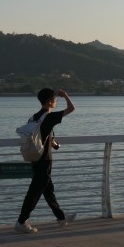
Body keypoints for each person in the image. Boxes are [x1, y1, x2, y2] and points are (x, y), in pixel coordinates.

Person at [14, 88, 77, 234]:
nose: (56, 101)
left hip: (35, 158)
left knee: (48, 189)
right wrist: (65, 95)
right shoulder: (49, 117)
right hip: (44, 159)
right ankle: (21, 221)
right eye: (55, 99)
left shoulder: (35, 117)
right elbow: (71, 109)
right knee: (35, 191)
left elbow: (41, 135)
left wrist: (53, 143)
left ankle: (61, 218)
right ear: (49, 101)